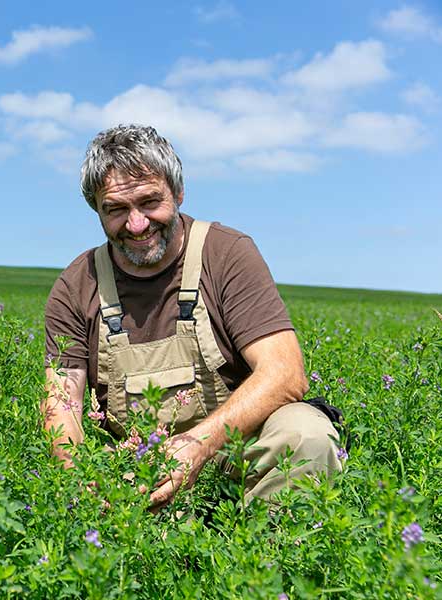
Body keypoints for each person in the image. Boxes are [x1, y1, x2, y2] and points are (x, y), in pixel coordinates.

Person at [42, 124, 342, 509]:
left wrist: (195, 445)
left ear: (179, 192)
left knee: (307, 434)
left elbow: (285, 373)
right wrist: (79, 484)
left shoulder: (226, 254)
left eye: (150, 202)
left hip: (230, 453)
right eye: (116, 209)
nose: (136, 224)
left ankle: (268, 560)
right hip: (139, 472)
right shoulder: (77, 285)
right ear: (96, 210)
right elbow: (61, 405)